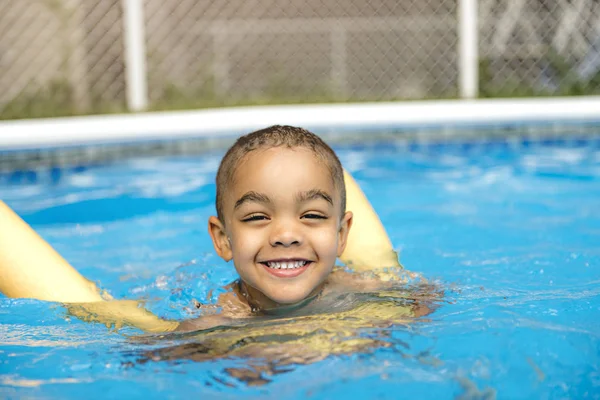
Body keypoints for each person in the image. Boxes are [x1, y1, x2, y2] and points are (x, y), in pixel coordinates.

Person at [0, 125, 432, 334]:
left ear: (342, 236)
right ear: (223, 239)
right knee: (92, 308)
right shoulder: (213, 325)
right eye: (257, 217)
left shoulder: (370, 289)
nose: (285, 234)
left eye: (312, 216)